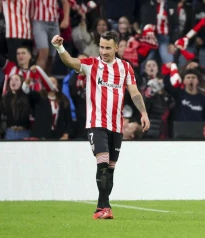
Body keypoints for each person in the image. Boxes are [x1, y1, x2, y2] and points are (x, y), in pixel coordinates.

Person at [51, 31, 150, 219]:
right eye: (101, 47)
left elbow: (135, 92)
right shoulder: (91, 64)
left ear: (117, 48)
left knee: (110, 169)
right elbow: (71, 62)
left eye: (107, 47)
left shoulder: (125, 68)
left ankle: (101, 207)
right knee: (103, 163)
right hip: (96, 123)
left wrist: (143, 113)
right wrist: (59, 47)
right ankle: (105, 208)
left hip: (117, 126)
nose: (103, 51)